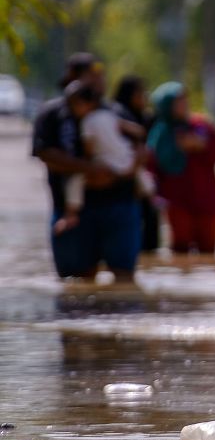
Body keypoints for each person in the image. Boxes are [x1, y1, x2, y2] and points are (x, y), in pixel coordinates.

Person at [31, 52, 142, 282]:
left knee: (124, 280)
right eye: (91, 75)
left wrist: (120, 172)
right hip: (72, 210)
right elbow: (45, 153)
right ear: (72, 77)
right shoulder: (52, 114)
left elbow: (140, 149)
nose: (98, 80)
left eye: (99, 75)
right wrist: (89, 170)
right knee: (76, 283)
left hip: (118, 205)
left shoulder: (115, 112)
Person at [54, 80, 154, 237]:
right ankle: (150, 193)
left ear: (84, 104)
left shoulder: (87, 122)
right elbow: (137, 130)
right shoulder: (110, 115)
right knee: (140, 174)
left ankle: (70, 214)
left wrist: (89, 164)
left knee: (75, 181)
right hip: (126, 159)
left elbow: (89, 147)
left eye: (74, 106)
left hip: (107, 164)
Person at [147, 82, 215, 256]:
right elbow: (153, 166)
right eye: (178, 101)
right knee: (180, 250)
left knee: (209, 251)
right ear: (166, 105)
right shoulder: (161, 133)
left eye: (185, 99)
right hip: (177, 201)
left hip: (207, 198)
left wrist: (203, 146)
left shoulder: (199, 125)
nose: (184, 104)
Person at [113, 75, 161, 254]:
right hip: (124, 182)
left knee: (149, 225)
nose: (144, 98)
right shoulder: (118, 115)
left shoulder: (142, 117)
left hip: (143, 181)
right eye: (141, 93)